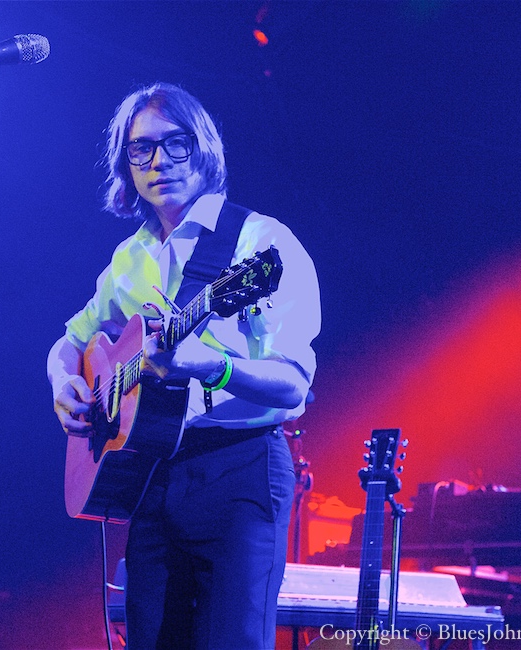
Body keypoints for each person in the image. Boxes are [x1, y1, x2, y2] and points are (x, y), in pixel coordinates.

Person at [47, 82, 320, 649]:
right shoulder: (130, 258)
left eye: (176, 144)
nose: (158, 162)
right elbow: (69, 342)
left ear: (204, 148)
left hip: (240, 472)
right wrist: (65, 385)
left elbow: (293, 386)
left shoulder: (259, 243)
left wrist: (206, 364)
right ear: (126, 165)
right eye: (140, 149)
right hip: (152, 475)